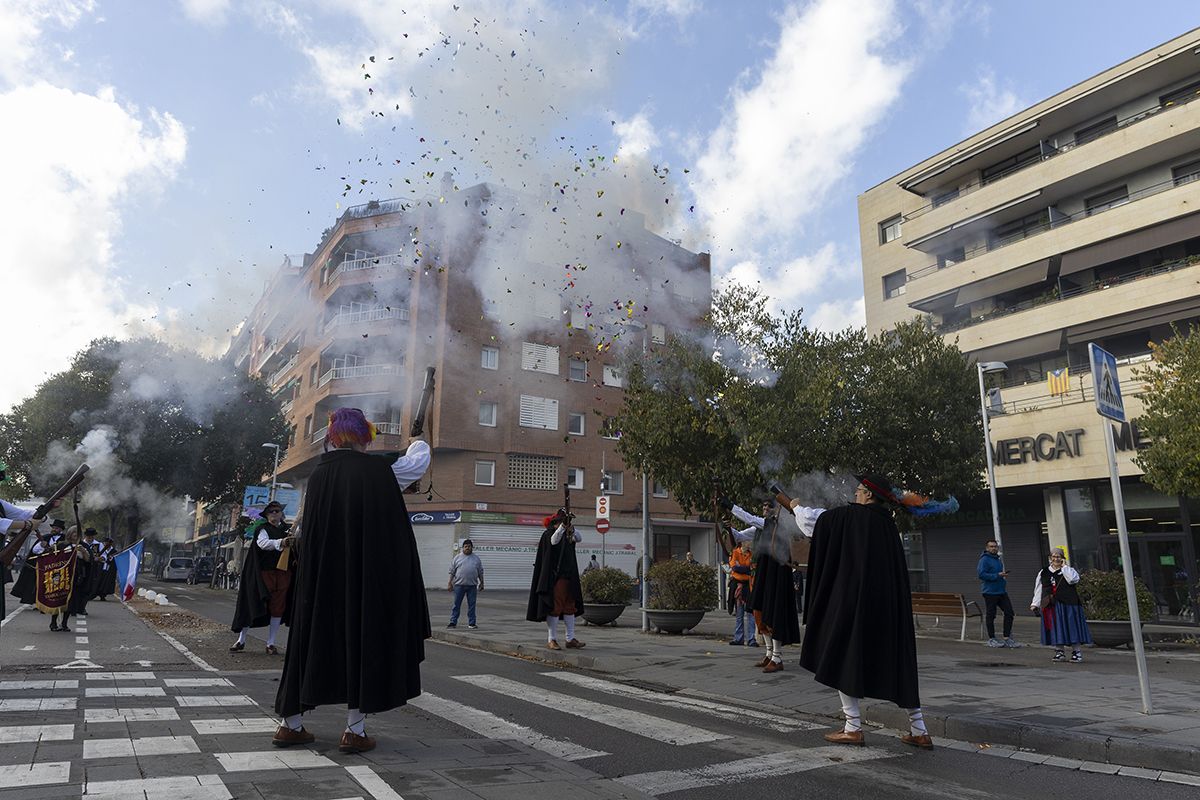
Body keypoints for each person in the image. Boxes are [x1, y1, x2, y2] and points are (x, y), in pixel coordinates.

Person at [273, 408, 431, 754]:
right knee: (361, 642)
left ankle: (290, 725)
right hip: (360, 575)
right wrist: (419, 442)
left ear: (331, 438)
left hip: (318, 580)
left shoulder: (317, 476)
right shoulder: (378, 471)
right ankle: (353, 731)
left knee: (310, 642)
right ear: (365, 436)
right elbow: (417, 463)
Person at [800, 472, 957, 750]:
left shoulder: (852, 518)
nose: (855, 495)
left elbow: (817, 523)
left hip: (857, 605)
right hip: (888, 608)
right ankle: (919, 730)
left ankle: (852, 727)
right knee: (899, 662)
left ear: (869, 495)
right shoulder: (887, 525)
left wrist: (796, 507)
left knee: (843, 654)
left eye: (859, 491)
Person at [729, 499, 801, 673]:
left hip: (776, 576)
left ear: (777, 510)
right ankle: (769, 654)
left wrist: (731, 507)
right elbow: (739, 537)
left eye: (770, 506)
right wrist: (727, 528)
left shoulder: (778, 525)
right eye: (764, 506)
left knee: (773, 614)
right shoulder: (760, 529)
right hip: (763, 574)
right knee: (760, 612)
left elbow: (751, 519)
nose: (765, 508)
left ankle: (777, 657)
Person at [230, 501, 297, 655]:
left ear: (281, 514)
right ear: (267, 515)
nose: (275, 513)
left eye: (277, 511)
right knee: (254, 603)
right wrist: (281, 542)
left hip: (282, 573)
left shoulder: (288, 530)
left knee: (278, 607)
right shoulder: (262, 529)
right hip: (263, 574)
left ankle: (271, 644)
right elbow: (263, 544)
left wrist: (294, 538)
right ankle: (241, 640)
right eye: (272, 511)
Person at [527, 508, 585, 651]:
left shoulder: (569, 533)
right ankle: (551, 639)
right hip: (555, 577)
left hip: (569, 576)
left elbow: (579, 537)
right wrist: (562, 527)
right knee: (555, 607)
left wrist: (570, 528)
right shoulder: (549, 534)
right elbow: (554, 541)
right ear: (555, 523)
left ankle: (570, 638)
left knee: (570, 607)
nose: (564, 524)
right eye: (561, 521)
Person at [1031, 547, 1092, 663]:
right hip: (1051, 605)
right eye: (1053, 556)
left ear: (1062, 558)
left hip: (1069, 604)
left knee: (1072, 627)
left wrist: (1064, 567)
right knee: (1055, 627)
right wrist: (1035, 603)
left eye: (1058, 556)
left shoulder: (1069, 570)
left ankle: (1076, 652)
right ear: (1050, 558)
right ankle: (1059, 651)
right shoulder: (1043, 572)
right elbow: (1038, 588)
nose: (1056, 559)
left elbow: (1073, 580)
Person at [978, 539, 1019, 648]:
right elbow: (981, 574)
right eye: (991, 546)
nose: (993, 548)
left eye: (995, 546)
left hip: (1001, 591)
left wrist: (1002, 576)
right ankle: (992, 638)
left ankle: (1007, 638)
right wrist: (997, 575)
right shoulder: (984, 560)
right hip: (990, 592)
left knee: (1009, 612)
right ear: (987, 548)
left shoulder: (998, 559)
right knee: (991, 615)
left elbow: (997, 573)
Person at [447, 539, 484, 629]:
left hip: (472, 586)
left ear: (472, 547)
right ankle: (453, 622)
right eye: (465, 546)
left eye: (469, 546)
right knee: (456, 604)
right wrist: (450, 583)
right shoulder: (457, 558)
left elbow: (480, 572)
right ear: (463, 548)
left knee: (472, 605)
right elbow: (452, 571)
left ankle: (472, 623)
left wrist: (482, 582)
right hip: (459, 585)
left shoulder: (476, 559)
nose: (467, 548)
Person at [727, 537, 757, 646]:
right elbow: (734, 568)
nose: (750, 543)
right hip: (738, 585)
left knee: (750, 613)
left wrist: (742, 568)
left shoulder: (752, 555)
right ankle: (738, 638)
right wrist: (746, 569)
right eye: (748, 540)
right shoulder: (735, 552)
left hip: (748, 586)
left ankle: (751, 639)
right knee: (739, 613)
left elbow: (753, 569)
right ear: (743, 542)